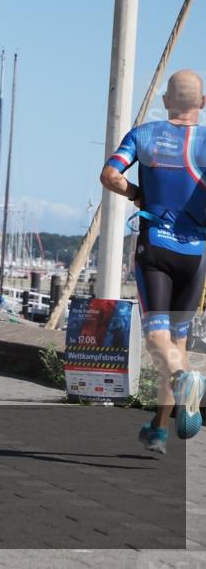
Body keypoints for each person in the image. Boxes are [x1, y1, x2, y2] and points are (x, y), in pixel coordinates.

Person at [100, 69, 206, 453]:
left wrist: (137, 194)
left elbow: (110, 175)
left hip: (156, 248)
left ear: (166, 102)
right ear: (203, 103)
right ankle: (160, 427)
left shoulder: (144, 135)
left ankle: (183, 380)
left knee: (157, 337)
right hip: (195, 255)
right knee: (176, 340)